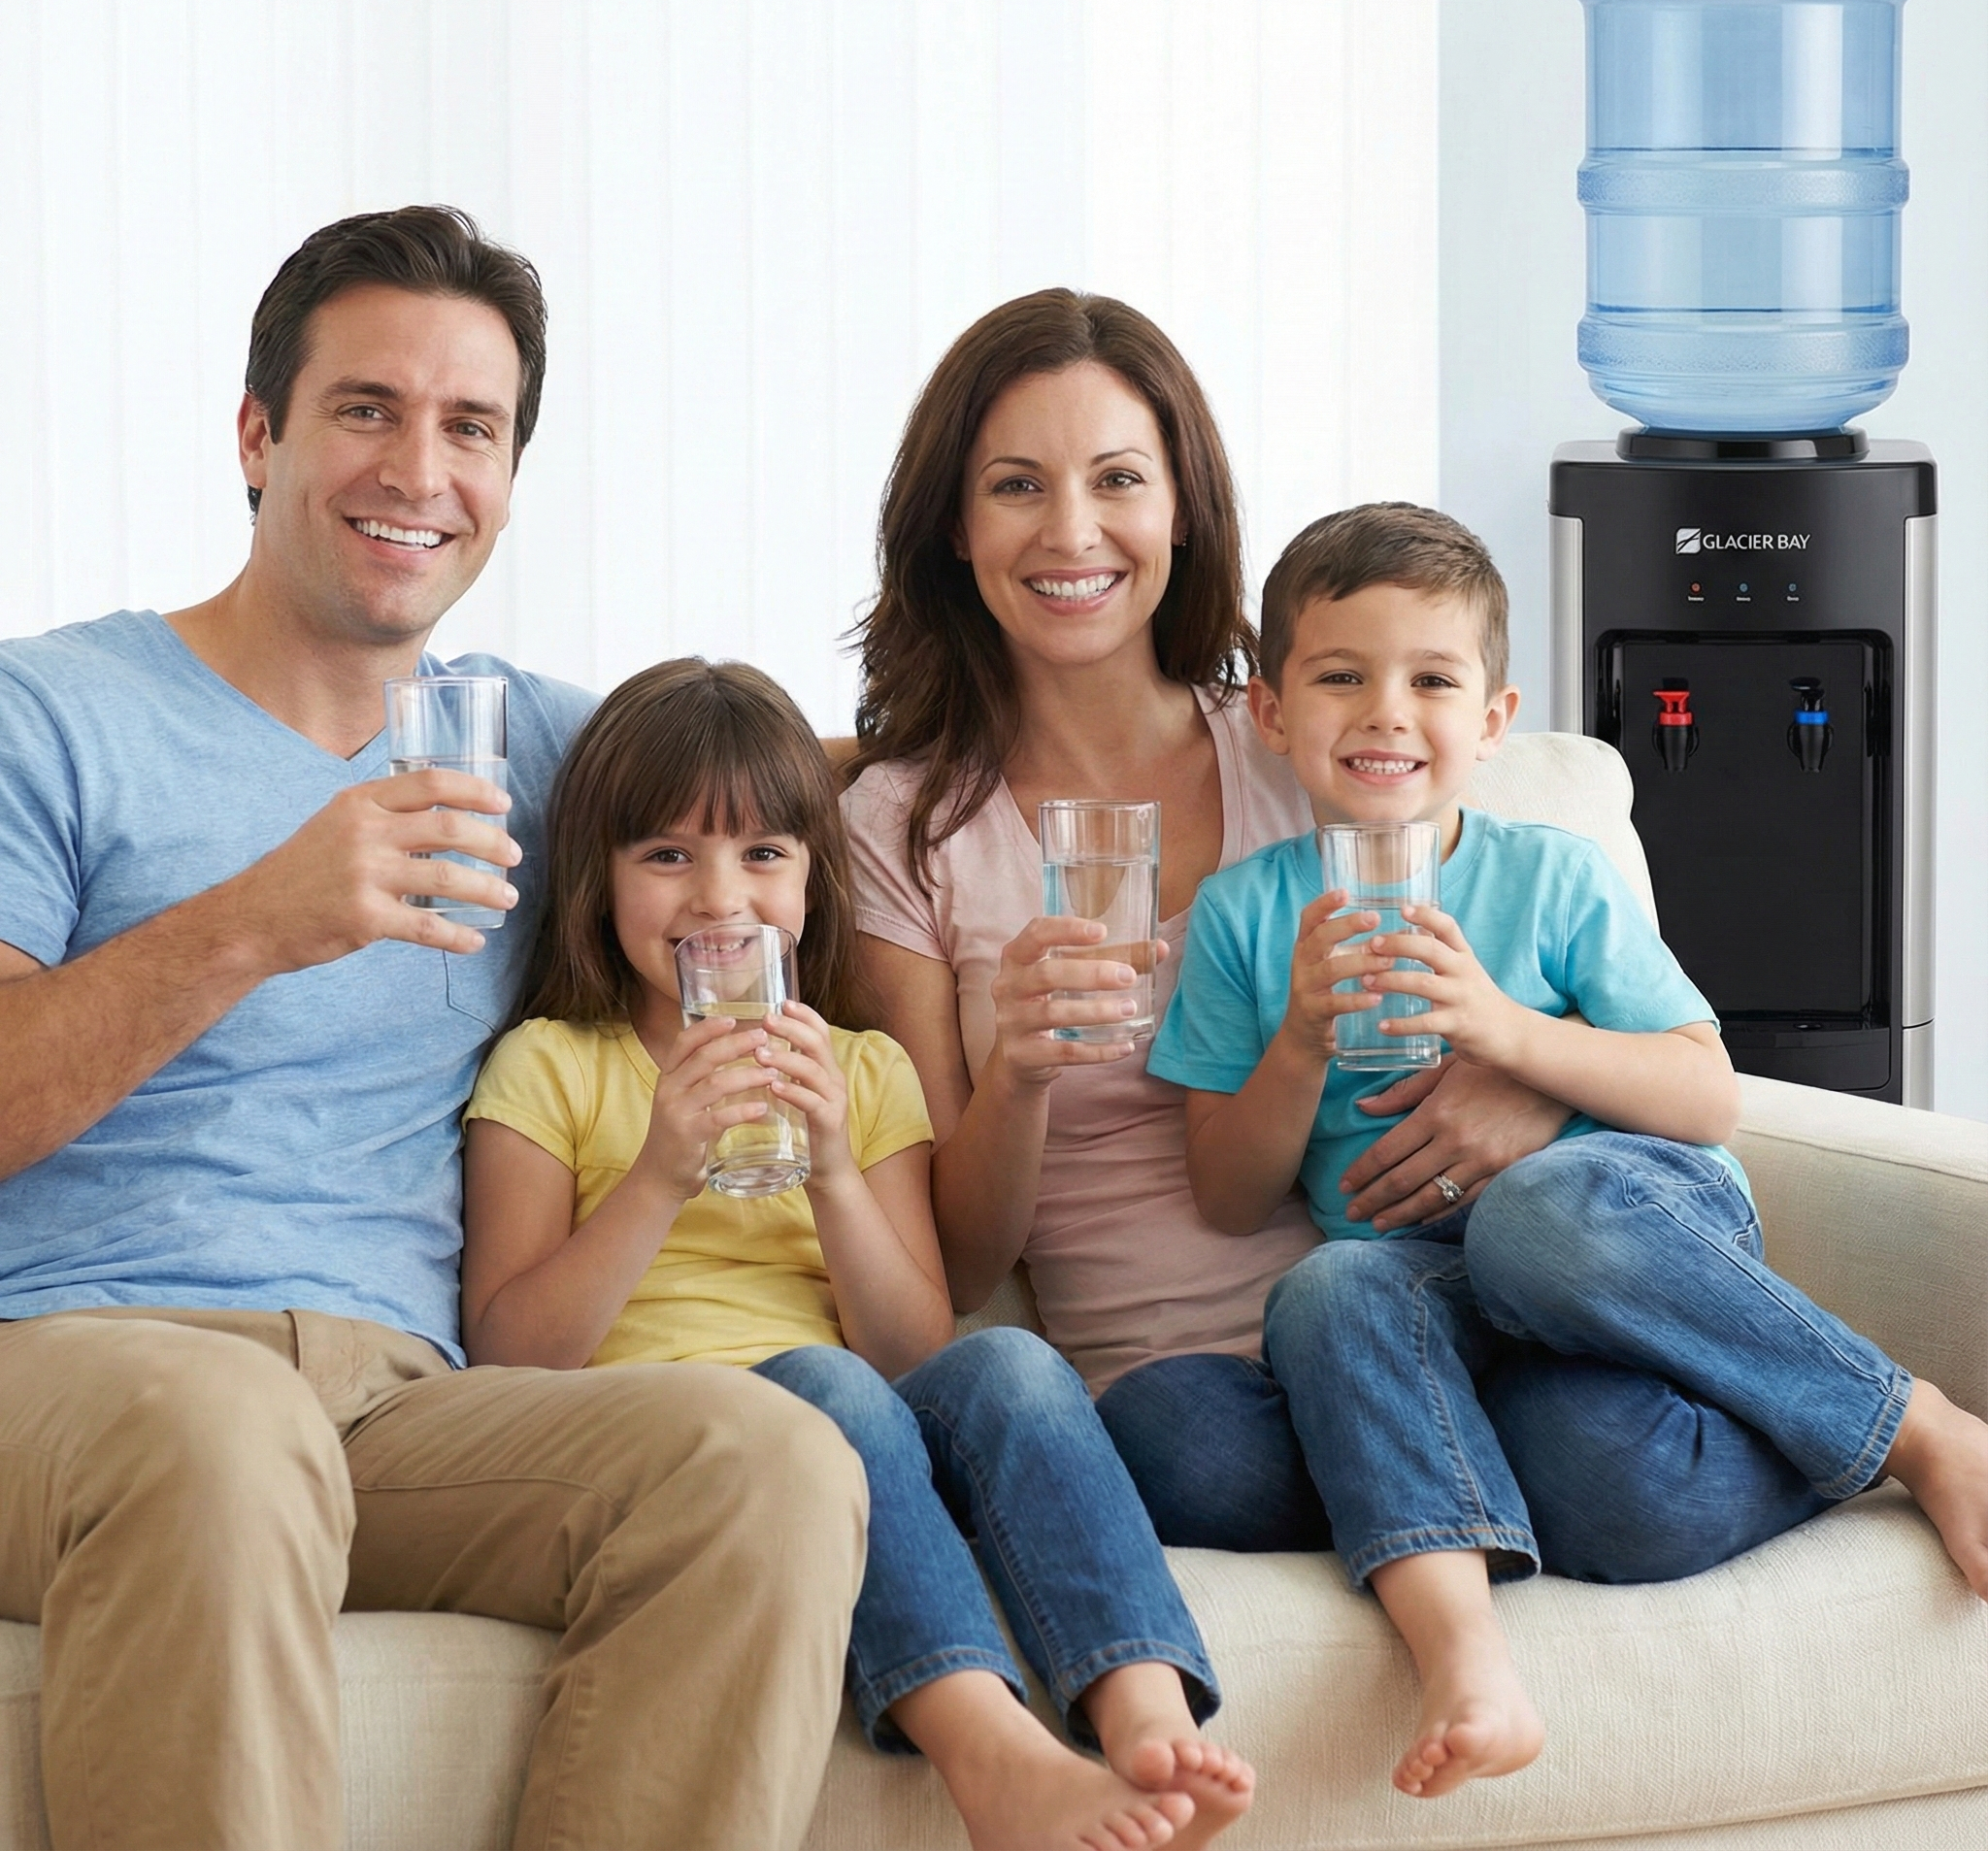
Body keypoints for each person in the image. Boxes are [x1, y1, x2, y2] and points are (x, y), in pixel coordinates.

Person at [0, 207, 867, 1851]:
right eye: (365, 409)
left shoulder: (540, 749)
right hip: (65, 1361)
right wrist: (256, 916)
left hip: (397, 1397)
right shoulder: (48, 712)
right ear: (259, 435)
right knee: (220, 1422)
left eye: (470, 426)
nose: (419, 466)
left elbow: (788, 786)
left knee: (765, 1458)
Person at [1149, 501, 1988, 1799]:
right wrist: (1301, 1042)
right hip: (1448, 1313)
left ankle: (1914, 1427)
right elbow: (1226, 1192)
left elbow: (1706, 1097)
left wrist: (1504, 1030)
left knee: (1534, 1221)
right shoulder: (1246, 918)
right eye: (1339, 676)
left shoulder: (1553, 877)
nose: (1384, 711)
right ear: (1272, 712)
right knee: (1289, 1342)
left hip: (1623, 1240)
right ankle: (1469, 1641)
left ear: (1491, 719)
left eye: (1431, 678)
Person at [460, 657, 1255, 1851]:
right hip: (688, 1433)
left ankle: (1142, 1715)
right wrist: (659, 1170)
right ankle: (990, 1759)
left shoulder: (866, 1068)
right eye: (667, 855)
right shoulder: (550, 1064)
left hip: (865, 1418)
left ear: (814, 881)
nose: (720, 899)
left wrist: (832, 1160)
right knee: (820, 1385)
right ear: (599, 877)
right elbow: (510, 1353)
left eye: (764, 853)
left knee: (1011, 1371)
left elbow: (914, 1343)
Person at [842, 289, 1574, 1553]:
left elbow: (1541, 940)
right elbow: (951, 1274)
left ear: (1180, 506)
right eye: (1017, 485)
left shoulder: (1305, 738)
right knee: (1189, 1456)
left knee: (1636, 1476)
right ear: (954, 527)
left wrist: (1537, 1095)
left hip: (1417, 1310)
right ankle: (1464, 1500)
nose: (1073, 531)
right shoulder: (903, 828)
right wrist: (1014, 1078)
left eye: (1118, 478)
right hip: (1185, 1392)